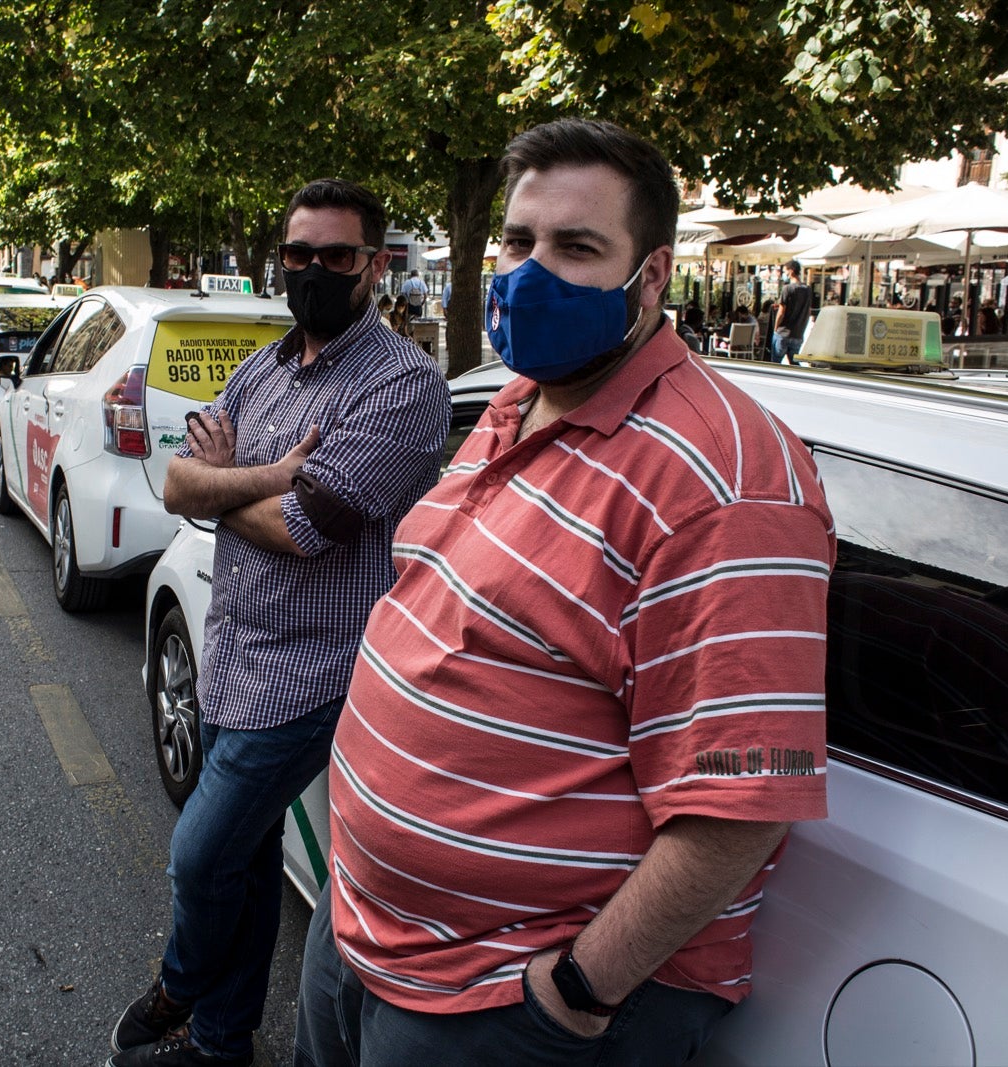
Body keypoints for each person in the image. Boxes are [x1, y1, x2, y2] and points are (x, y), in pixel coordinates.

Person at [295, 118, 835, 1067]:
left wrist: (576, 994)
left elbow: (743, 804)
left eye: (577, 248)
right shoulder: (518, 400)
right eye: (518, 241)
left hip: (504, 999)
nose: (530, 271)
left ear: (652, 276)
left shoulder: (726, 480)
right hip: (364, 932)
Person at [107, 178, 451, 1067]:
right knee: (247, 857)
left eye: (337, 255)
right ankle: (220, 1040)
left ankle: (180, 984)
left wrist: (225, 486)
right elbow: (177, 483)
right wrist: (270, 475)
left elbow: (308, 529)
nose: (314, 270)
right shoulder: (261, 369)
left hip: (317, 671)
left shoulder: (402, 383)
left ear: (373, 266)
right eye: (299, 254)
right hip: (233, 653)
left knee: (200, 854)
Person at [774, 259, 812, 362]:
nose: (784, 274)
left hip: (783, 332)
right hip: (798, 334)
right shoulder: (807, 289)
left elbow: (781, 312)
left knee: (775, 363)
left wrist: (775, 328)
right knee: (794, 364)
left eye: (785, 271)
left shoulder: (787, 289)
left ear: (791, 271)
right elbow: (808, 311)